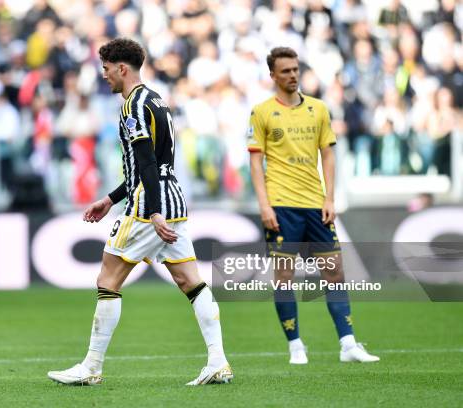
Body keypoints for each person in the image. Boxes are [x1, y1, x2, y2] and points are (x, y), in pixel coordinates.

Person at [47, 38, 233, 386]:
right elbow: (155, 163)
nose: (104, 77)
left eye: (105, 70)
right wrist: (110, 198)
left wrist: (154, 212)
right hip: (172, 196)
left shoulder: (133, 106)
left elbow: (146, 160)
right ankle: (218, 361)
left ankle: (90, 366)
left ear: (122, 68)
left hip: (150, 204)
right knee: (190, 282)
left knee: (107, 280)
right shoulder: (158, 99)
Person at [247, 47, 379, 364]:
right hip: (280, 204)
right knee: (284, 277)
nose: (292, 75)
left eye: (295, 69)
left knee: (334, 272)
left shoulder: (318, 109)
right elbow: (255, 163)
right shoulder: (262, 112)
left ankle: (348, 344)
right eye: (285, 71)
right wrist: (264, 206)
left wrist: (330, 197)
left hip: (315, 204)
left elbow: (328, 155)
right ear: (273, 76)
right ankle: (295, 346)